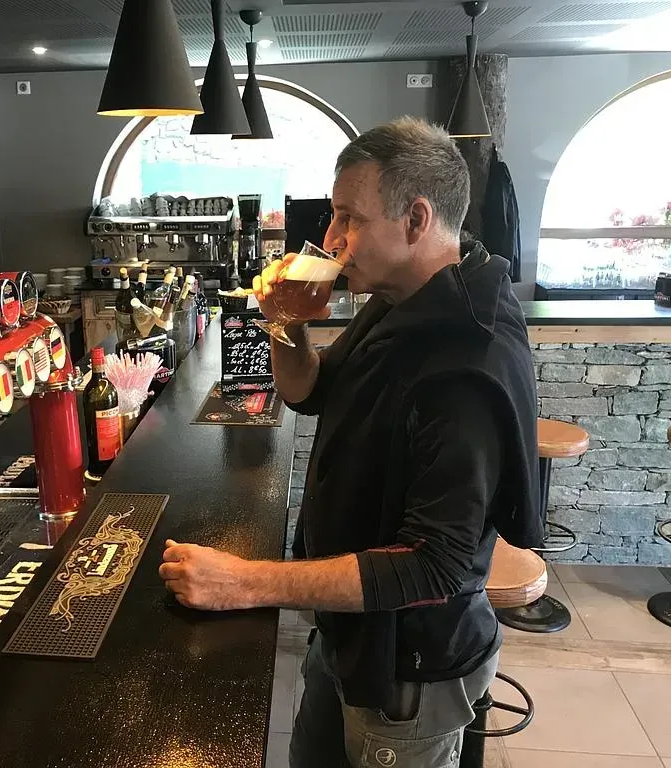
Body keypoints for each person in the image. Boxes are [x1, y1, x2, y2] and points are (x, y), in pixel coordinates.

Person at [158, 118, 542, 768]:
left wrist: (248, 583)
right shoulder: (402, 296)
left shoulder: (465, 360)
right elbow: (312, 392)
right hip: (349, 634)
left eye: (347, 218)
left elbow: (434, 564)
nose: (330, 240)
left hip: (407, 671)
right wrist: (283, 323)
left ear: (416, 220)